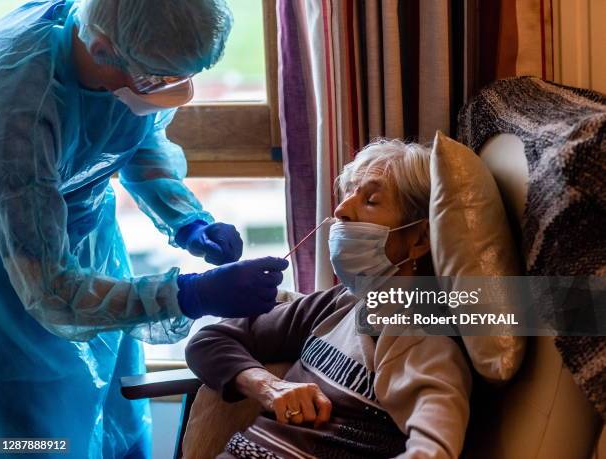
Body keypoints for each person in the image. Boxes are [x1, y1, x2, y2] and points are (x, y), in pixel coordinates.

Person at [0, 1, 288, 458]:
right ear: (101, 48)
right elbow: (51, 290)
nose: (168, 91)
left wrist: (186, 219)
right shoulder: (16, 109)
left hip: (88, 238)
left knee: (116, 416)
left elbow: (138, 133)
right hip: (10, 284)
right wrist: (190, 295)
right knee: (39, 437)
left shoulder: (126, 33)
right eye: (156, 77)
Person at [186, 140, 472, 458]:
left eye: (371, 200)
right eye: (348, 192)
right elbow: (209, 341)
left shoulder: (422, 342)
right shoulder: (338, 303)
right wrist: (268, 386)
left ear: (418, 239)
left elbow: (434, 452)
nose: (340, 210)